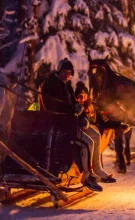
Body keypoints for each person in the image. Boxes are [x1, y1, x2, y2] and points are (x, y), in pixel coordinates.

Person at [39, 58, 103, 191]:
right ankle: (86, 175)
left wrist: (83, 116)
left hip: (71, 123)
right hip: (58, 126)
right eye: (65, 72)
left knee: (96, 134)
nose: (68, 75)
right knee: (88, 143)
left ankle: (96, 169)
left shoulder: (67, 85)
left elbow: (75, 104)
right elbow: (52, 107)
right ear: (59, 71)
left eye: (70, 72)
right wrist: (72, 110)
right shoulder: (49, 85)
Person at [75, 82, 129, 182]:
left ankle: (98, 171)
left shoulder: (93, 107)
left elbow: (104, 121)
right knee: (91, 143)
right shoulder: (76, 108)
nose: (81, 99)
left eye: (84, 96)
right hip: (83, 137)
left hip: (95, 136)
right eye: (79, 97)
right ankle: (89, 173)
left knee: (96, 146)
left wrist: (119, 125)